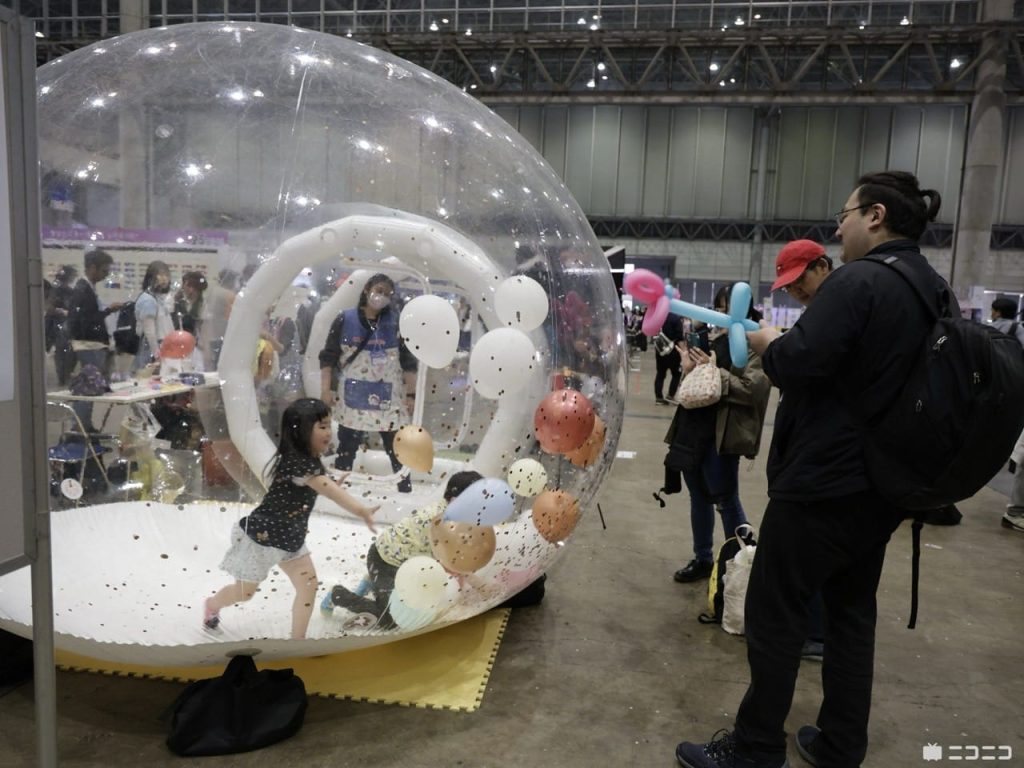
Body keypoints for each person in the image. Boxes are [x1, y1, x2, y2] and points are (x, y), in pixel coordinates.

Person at [675, 170, 955, 768]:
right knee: (851, 615)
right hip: (884, 486)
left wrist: (768, 343)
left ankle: (755, 749)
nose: (839, 226)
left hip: (824, 482)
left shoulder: (860, 281)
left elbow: (800, 364)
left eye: (844, 215)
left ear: (875, 216)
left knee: (775, 612)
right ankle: (840, 744)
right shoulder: (933, 289)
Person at [202, 398, 379, 640]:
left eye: (329, 425)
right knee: (245, 593)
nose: (329, 432)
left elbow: (318, 486)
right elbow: (330, 491)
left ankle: (298, 640)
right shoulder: (299, 464)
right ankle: (212, 605)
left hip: (290, 540)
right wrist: (361, 510)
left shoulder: (308, 462)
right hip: (260, 539)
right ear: (302, 431)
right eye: (322, 426)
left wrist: (328, 484)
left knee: (308, 586)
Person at [666, 286, 770, 584]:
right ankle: (703, 559)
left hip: (722, 434)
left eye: (729, 308)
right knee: (698, 497)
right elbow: (697, 386)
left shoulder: (755, 344)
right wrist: (689, 368)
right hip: (693, 430)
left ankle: (741, 566)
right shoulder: (714, 338)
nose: (724, 315)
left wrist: (714, 371)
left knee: (725, 499)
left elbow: (754, 389)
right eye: (720, 308)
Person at [320, 470, 484, 629]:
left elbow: (455, 559)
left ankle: (372, 581)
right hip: (384, 561)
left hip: (406, 562)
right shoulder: (443, 522)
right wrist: (479, 589)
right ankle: (339, 595)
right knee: (392, 619)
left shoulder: (454, 515)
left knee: (416, 606)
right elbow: (452, 564)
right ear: (455, 500)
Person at [318, 274, 418, 493]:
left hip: (389, 398)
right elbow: (328, 357)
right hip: (352, 398)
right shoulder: (345, 319)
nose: (382, 297)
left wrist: (411, 395)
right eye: (379, 290)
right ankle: (339, 494)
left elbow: (408, 361)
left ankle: (405, 492)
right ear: (367, 289)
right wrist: (325, 390)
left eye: (387, 294)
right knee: (347, 450)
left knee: (397, 451)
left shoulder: (396, 323)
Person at [67, 249, 123, 431]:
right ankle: (80, 427)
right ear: (92, 268)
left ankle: (84, 425)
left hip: (92, 345)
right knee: (87, 388)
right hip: (88, 346)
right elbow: (86, 321)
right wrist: (108, 311)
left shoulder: (87, 288)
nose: (106, 275)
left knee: (90, 388)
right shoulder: (83, 290)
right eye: (104, 270)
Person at [133, 260, 174, 372]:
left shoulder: (159, 298)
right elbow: (149, 332)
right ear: (151, 278)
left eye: (166, 274)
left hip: (164, 345)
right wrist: (157, 356)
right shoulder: (148, 300)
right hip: (153, 348)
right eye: (160, 275)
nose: (164, 279)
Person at [654, 311, 684, 404]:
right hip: (673, 352)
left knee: (660, 374)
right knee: (676, 374)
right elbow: (679, 338)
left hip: (660, 351)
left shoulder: (658, 316)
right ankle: (670, 395)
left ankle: (659, 398)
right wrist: (683, 352)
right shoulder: (676, 319)